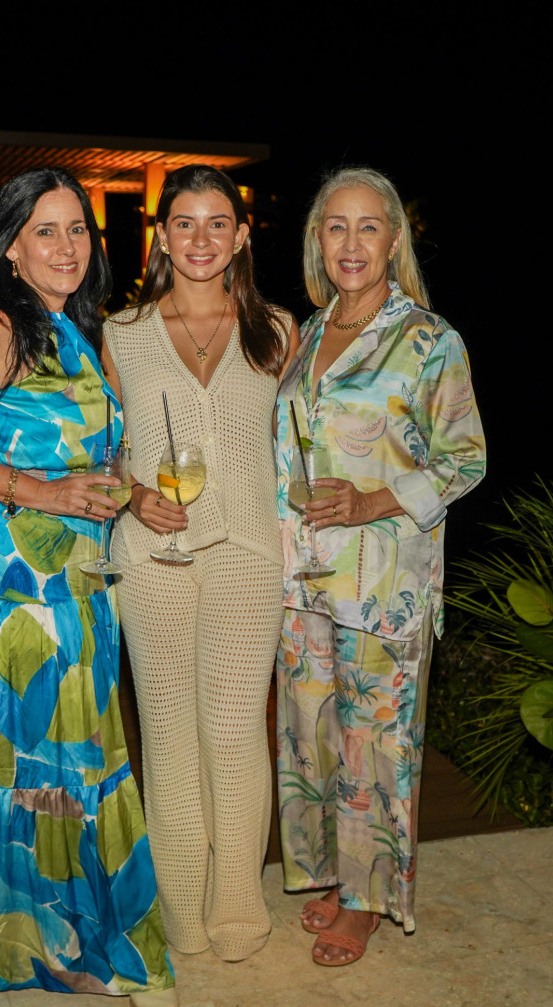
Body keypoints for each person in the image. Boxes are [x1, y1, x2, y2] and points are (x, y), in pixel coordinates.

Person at [0, 167, 178, 1007]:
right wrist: (41, 492)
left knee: (74, 760)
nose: (65, 247)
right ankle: (67, 947)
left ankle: (65, 942)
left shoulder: (75, 332)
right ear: (12, 245)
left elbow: (92, 461)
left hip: (80, 588)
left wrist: (132, 494)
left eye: (78, 232)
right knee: (10, 759)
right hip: (10, 590)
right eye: (46, 231)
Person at [275, 166, 485, 966]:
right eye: (336, 226)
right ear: (316, 240)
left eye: (369, 227)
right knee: (316, 736)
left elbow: (466, 458)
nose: (352, 243)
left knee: (375, 744)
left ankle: (366, 901)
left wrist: (371, 501)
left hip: (383, 583)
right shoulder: (305, 331)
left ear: (395, 239)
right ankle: (337, 873)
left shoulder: (431, 340)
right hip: (304, 579)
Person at [102, 164, 300, 962]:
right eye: (184, 223)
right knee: (170, 731)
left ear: (243, 236)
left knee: (232, 729)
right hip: (152, 557)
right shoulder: (122, 334)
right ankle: (179, 900)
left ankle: (238, 898)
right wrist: (131, 495)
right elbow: (103, 452)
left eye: (219, 223)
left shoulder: (279, 331)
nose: (201, 239)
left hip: (250, 553)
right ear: (161, 235)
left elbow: (301, 441)